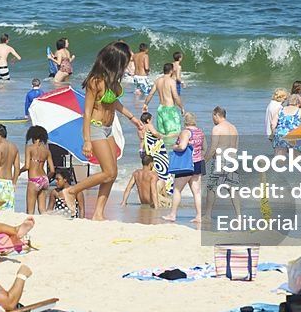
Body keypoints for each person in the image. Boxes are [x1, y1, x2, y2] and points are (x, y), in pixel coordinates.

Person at [60, 41, 143, 221]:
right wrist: (87, 140)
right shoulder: (95, 81)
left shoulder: (113, 80)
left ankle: (98, 213)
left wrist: (133, 118)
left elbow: (114, 102)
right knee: (108, 172)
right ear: (117, 61)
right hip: (96, 128)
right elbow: (87, 111)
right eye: (127, 59)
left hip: (108, 128)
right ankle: (71, 190)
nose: (130, 62)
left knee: (113, 173)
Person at [164, 112, 204, 223]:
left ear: (185, 121)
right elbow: (203, 147)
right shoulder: (200, 132)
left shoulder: (186, 132)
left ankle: (172, 215)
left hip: (185, 164)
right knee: (197, 192)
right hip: (198, 163)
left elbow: (182, 146)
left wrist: (174, 147)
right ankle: (199, 216)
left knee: (177, 189)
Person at [205, 106, 241, 221]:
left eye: (213, 116)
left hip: (221, 160)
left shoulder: (217, 128)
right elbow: (236, 147)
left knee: (211, 187)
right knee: (233, 188)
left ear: (216, 115)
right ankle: (238, 216)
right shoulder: (234, 128)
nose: (212, 119)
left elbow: (213, 148)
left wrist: (204, 161)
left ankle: (208, 215)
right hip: (233, 159)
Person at [143, 63, 183, 145]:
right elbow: (175, 96)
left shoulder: (158, 81)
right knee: (174, 134)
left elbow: (151, 93)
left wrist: (145, 104)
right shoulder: (171, 81)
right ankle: (170, 154)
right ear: (171, 71)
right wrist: (181, 107)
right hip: (170, 109)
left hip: (160, 109)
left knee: (162, 134)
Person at [0, 124, 20, 212]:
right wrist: (14, 183)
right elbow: (17, 168)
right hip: (9, 184)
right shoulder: (15, 147)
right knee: (7, 211)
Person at [22, 125, 54, 215]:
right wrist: (46, 178)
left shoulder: (29, 148)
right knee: (42, 210)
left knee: (30, 210)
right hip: (44, 179)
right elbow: (52, 170)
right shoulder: (47, 151)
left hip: (34, 179)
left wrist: (19, 171)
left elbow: (27, 166)